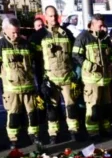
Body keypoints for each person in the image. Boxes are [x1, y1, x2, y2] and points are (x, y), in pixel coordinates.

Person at [0, 18, 40, 148]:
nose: (16, 35)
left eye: (18, 32)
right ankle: (13, 139)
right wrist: (4, 78)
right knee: (13, 114)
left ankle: (34, 136)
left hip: (28, 86)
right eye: (13, 32)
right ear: (5, 30)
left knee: (32, 113)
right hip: (11, 89)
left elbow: (34, 61)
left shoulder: (26, 44)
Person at [39, 6, 81, 143]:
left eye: (55, 15)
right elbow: (35, 57)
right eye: (50, 16)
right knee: (52, 108)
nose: (53, 18)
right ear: (45, 17)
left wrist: (74, 72)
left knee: (71, 106)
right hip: (51, 79)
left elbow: (74, 53)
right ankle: (53, 134)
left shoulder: (66, 33)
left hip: (67, 76)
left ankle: (74, 131)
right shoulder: (40, 35)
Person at [73, 14, 112, 139]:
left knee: (106, 106)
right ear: (92, 24)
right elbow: (76, 55)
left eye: (103, 25)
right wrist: (91, 66)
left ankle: (105, 129)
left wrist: (111, 62)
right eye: (100, 25)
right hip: (92, 80)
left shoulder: (104, 38)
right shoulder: (83, 37)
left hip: (105, 79)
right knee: (93, 107)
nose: (103, 28)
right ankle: (93, 132)